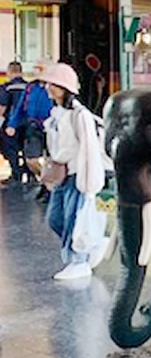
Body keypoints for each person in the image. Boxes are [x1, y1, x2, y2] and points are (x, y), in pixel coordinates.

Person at [41, 62, 108, 281]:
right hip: (63, 174)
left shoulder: (79, 115)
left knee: (73, 218)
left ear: (65, 88)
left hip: (78, 174)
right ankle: (89, 246)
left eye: (54, 85)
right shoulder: (57, 114)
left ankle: (78, 261)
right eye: (48, 84)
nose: (49, 88)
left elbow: (88, 149)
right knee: (55, 218)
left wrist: (90, 185)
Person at [6, 60, 54, 201]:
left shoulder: (54, 87)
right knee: (31, 160)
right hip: (33, 126)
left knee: (51, 160)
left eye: (40, 69)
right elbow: (20, 108)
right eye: (35, 69)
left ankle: (49, 187)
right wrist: (12, 124)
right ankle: (46, 182)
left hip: (52, 128)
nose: (36, 71)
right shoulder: (30, 87)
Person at [1, 61, 28, 185]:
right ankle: (29, 173)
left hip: (11, 124)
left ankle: (16, 175)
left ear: (9, 72)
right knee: (26, 149)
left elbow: (2, 107)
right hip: (28, 123)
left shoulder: (6, 87)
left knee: (10, 149)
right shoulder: (28, 87)